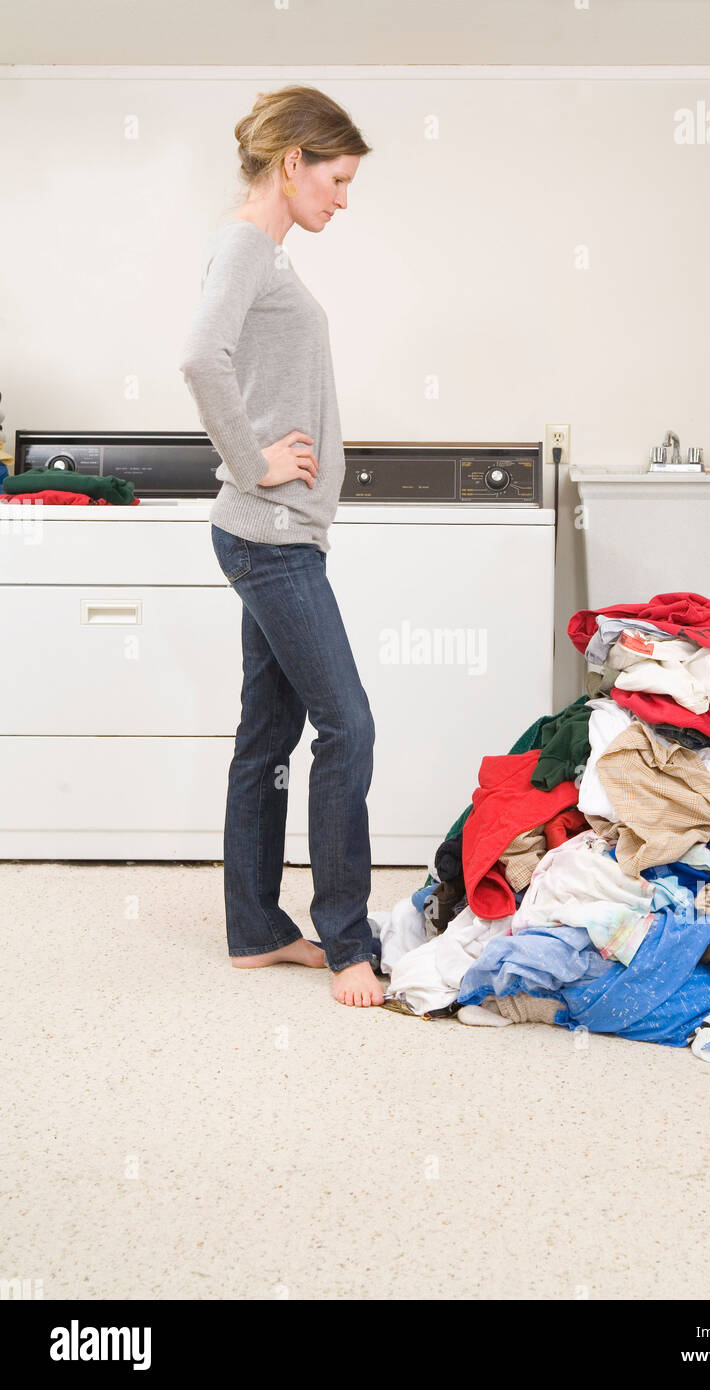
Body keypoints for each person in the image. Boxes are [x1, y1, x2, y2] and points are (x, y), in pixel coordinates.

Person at [179, 85, 385, 1007]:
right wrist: (251, 460)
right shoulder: (245, 246)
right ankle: (349, 942)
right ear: (293, 162)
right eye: (337, 179)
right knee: (349, 726)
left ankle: (256, 931)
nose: (343, 198)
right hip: (268, 539)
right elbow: (198, 356)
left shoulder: (264, 255)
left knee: (269, 733)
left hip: (280, 536)